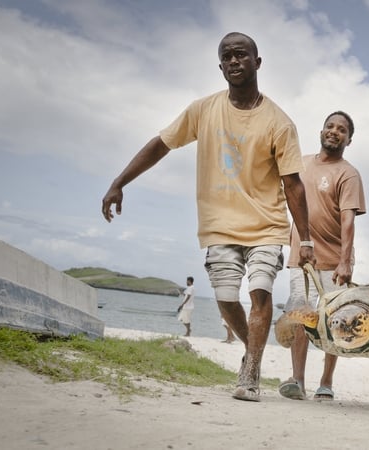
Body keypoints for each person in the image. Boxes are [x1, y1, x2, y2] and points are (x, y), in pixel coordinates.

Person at [101, 32, 315, 402]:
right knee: (225, 296)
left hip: (266, 224)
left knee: (260, 292)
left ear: (257, 62)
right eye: (227, 57)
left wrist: (306, 239)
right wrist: (120, 181)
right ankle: (253, 352)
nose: (234, 61)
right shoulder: (203, 109)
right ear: (221, 67)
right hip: (218, 224)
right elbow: (161, 144)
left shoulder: (279, 122)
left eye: (242, 55)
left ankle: (250, 374)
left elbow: (293, 184)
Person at [278, 111, 366, 402]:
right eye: (330, 126)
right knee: (301, 317)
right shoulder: (301, 164)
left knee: (333, 323)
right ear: (321, 131)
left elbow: (348, 221)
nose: (334, 132)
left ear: (349, 139)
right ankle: (298, 380)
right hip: (300, 258)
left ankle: (326, 383)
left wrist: (345, 261)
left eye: (341, 129)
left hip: (333, 262)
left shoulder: (348, 173)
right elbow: (286, 200)